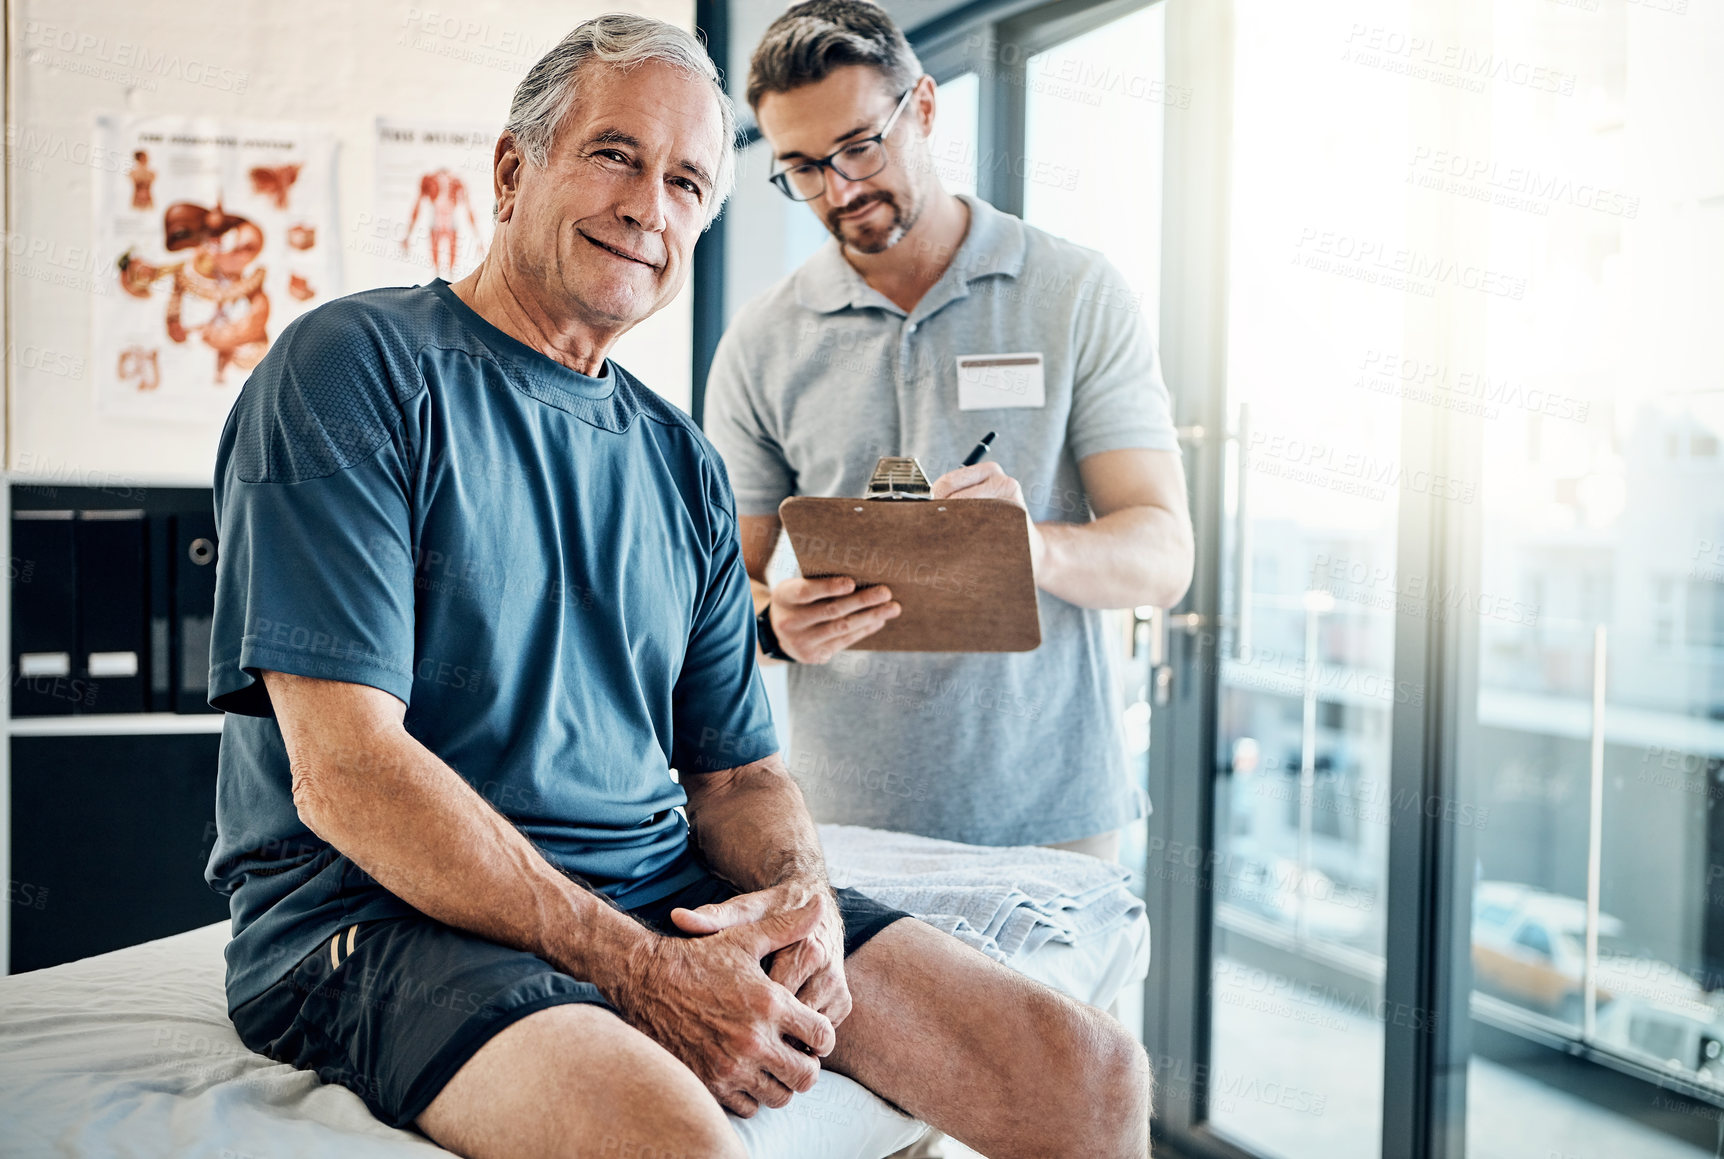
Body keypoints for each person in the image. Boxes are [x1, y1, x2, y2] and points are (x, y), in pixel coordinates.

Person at [204, 13, 1150, 1159]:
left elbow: (739, 771)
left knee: (1086, 1070)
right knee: (678, 1139)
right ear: (514, 170)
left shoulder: (678, 460)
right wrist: (642, 972)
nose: (650, 206)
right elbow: (348, 774)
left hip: (659, 882)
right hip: (382, 917)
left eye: (689, 180)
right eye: (614, 154)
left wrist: (800, 895)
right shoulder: (354, 368)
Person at [706, 0, 1195, 863]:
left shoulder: (1075, 293)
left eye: (861, 145)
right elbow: (712, 597)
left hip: (1052, 819)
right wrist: (775, 624)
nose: (843, 188)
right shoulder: (761, 340)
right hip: (842, 826)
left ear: (924, 108)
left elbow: (1162, 555)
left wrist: (1025, 548)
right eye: (805, 168)